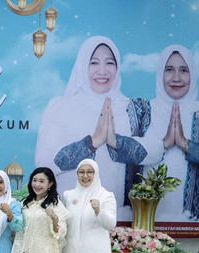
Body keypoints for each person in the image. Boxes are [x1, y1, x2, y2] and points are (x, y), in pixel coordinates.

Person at [35, 35, 163, 218]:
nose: (102, 70)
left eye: (109, 63)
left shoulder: (135, 107)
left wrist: (116, 142)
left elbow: (157, 150)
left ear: (118, 67)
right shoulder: (61, 107)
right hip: (70, 215)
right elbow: (44, 162)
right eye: (94, 63)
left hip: (121, 218)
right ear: (82, 66)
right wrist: (91, 143)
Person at [145, 45, 199, 221]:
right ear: (160, 73)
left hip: (193, 223)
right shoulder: (144, 111)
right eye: (169, 69)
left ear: (193, 74)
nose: (176, 78)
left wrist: (185, 144)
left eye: (184, 70)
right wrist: (164, 144)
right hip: (147, 221)